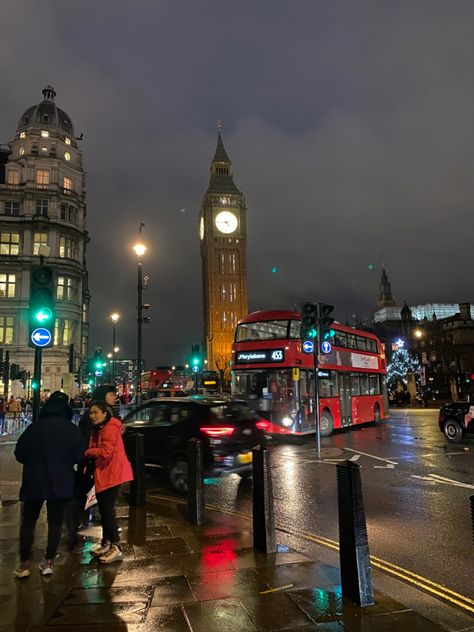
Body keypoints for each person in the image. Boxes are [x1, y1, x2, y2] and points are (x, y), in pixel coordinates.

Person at [13, 392, 84, 578]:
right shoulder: (71, 429)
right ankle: (48, 561)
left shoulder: (34, 428)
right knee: (55, 522)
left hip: (34, 482)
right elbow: (79, 456)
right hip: (60, 482)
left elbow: (19, 454)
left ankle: (24, 563)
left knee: (28, 521)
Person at [66, 385, 119, 548]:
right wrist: (87, 456)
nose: (114, 398)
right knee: (88, 500)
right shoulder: (96, 418)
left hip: (102, 465)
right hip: (92, 466)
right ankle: (73, 528)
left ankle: (108, 540)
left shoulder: (109, 418)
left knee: (105, 505)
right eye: (111, 395)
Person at [84, 400, 133, 564]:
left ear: (105, 413)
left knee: (107, 511)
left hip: (113, 473)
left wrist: (87, 452)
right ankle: (106, 543)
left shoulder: (110, 428)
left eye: (96, 412)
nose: (93, 415)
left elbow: (106, 452)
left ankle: (116, 546)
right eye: (91, 413)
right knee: (104, 510)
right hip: (105, 472)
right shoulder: (100, 428)